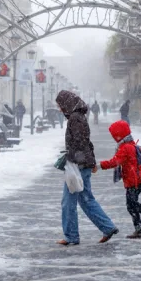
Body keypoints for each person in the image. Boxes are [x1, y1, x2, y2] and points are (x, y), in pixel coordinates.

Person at [55, 90, 118, 245]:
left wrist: (72, 159)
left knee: (68, 202)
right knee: (86, 199)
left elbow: (80, 142)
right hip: (83, 163)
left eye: (60, 105)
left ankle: (71, 236)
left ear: (67, 103)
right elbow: (86, 142)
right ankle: (107, 227)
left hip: (78, 165)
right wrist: (91, 162)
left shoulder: (75, 119)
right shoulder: (79, 117)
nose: (59, 109)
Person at [98, 120, 141, 239]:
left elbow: (115, 162)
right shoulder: (128, 144)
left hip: (134, 180)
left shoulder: (125, 148)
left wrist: (99, 165)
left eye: (114, 135)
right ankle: (140, 229)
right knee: (131, 205)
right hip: (135, 179)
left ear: (119, 134)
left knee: (131, 204)